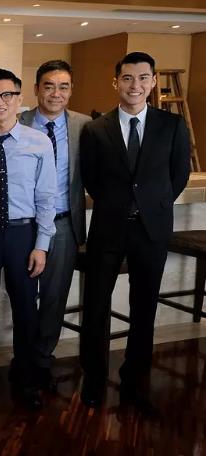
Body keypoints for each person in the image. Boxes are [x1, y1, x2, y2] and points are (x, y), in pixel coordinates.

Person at [79, 52, 191, 411]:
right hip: (108, 229)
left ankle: (134, 381)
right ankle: (94, 379)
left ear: (153, 81)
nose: (135, 85)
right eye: (127, 78)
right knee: (95, 307)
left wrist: (151, 205)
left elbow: (178, 175)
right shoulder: (96, 129)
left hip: (151, 230)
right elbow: (91, 179)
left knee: (144, 309)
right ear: (116, 82)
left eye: (143, 78)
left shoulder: (171, 125)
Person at [0, 69, 56, 410]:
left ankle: (25, 378)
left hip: (23, 234)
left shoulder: (39, 142)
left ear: (19, 99)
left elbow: (46, 197)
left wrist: (41, 245)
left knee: (25, 311)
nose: (0, 101)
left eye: (7, 95)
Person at [18, 60, 91, 391]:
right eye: (49, 86)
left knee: (53, 298)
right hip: (22, 225)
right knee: (22, 296)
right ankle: (22, 357)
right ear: (37, 89)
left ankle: (41, 360)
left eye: (64, 87)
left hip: (62, 225)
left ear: (71, 90)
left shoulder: (85, 127)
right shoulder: (16, 121)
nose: (56, 93)